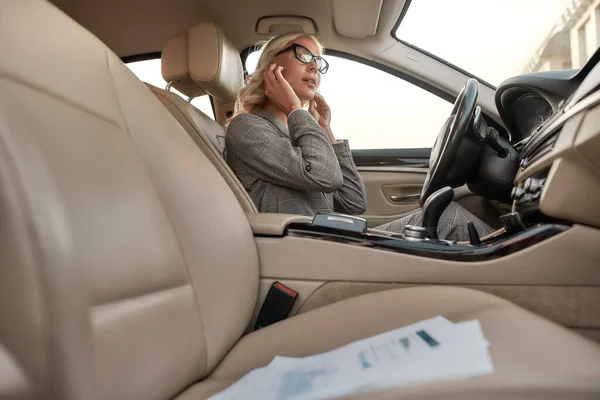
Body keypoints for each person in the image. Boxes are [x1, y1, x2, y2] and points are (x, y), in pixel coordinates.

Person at [225, 33, 493, 241]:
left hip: (332, 241)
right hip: (310, 251)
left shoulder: (298, 132)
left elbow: (354, 202)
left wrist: (326, 130)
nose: (315, 68)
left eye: (319, 62)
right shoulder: (247, 128)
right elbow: (322, 175)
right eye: (304, 56)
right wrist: (297, 110)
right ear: (273, 65)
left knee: (446, 217)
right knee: (449, 218)